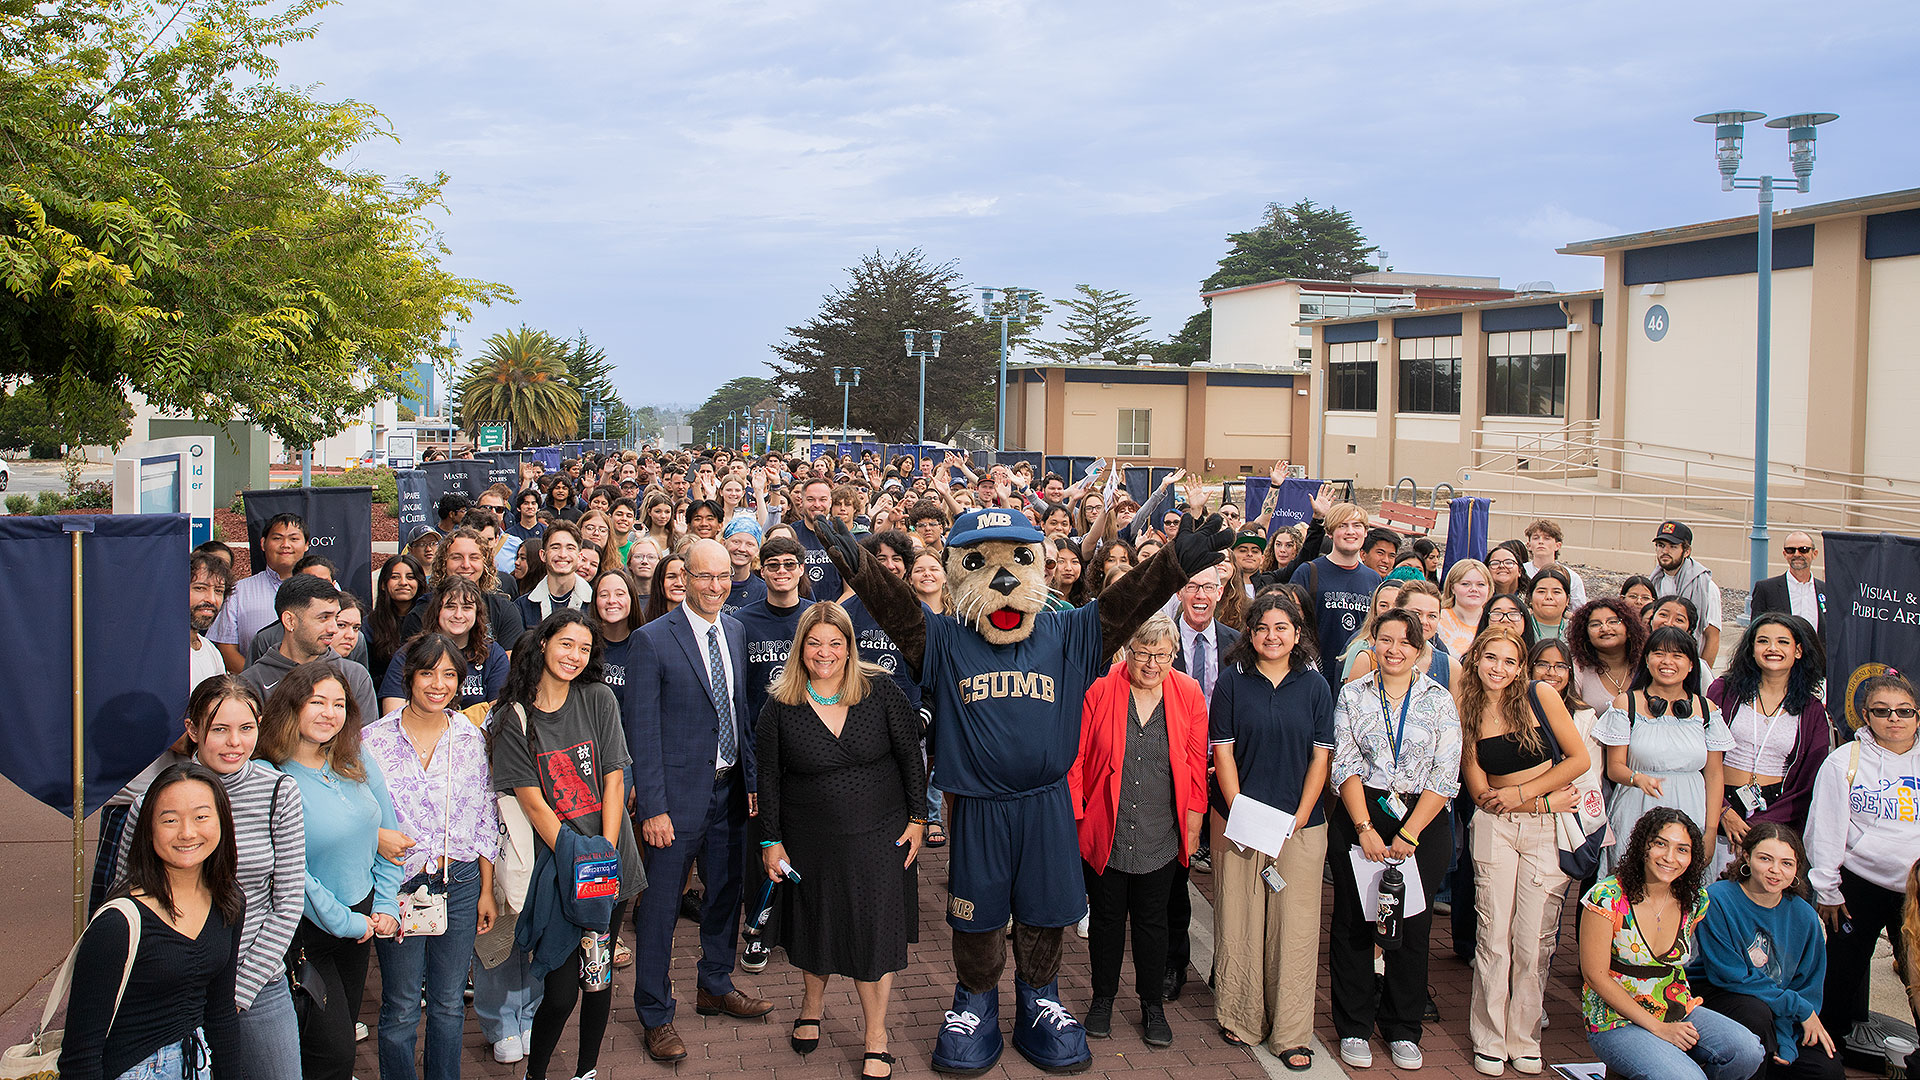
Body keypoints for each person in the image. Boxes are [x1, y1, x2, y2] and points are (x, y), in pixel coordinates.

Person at [756, 603, 926, 1077]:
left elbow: (911, 756)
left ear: (850, 647)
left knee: (874, 935)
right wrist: (770, 841)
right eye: (814, 643)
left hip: (882, 836)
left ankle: (876, 1034)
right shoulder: (780, 703)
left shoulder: (880, 690)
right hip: (811, 838)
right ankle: (812, 1005)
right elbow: (767, 777)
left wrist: (918, 817)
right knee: (817, 926)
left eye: (836, 642)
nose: (824, 652)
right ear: (800, 648)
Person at [110, 678, 305, 1080]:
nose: (234, 742)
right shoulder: (152, 800)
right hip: (172, 984)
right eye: (219, 729)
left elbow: (287, 901)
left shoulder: (279, 792)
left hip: (256, 981)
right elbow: (127, 898)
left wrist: (236, 992)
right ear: (193, 730)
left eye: (246, 728)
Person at [626, 539, 771, 1062]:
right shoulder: (651, 640)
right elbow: (642, 730)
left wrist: (751, 783)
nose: (716, 585)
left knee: (726, 894)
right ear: (683, 577)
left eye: (725, 575)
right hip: (676, 802)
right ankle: (655, 1012)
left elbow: (738, 713)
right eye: (705, 576)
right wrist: (655, 808)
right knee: (661, 907)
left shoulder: (735, 630)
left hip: (730, 794)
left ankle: (714, 982)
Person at [490, 609, 647, 1080]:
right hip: (558, 872)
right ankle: (536, 1074)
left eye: (584, 648)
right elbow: (534, 804)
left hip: (609, 868)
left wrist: (605, 855)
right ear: (543, 644)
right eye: (566, 645)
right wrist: (582, 862)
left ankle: (586, 1071)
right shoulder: (511, 717)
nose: (574, 656)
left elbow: (615, 779)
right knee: (561, 991)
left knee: (597, 981)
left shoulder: (598, 698)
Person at [1062, 614, 1207, 1048]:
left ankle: (1151, 1006)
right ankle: (1102, 999)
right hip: (1107, 829)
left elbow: (1196, 766)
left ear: (1173, 656)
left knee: (1152, 922)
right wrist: (1074, 821)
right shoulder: (1101, 689)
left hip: (1161, 833)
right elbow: (1077, 759)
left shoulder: (1190, 693)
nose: (1151, 664)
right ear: (1127, 652)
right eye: (1142, 654)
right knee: (1106, 921)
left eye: (1162, 656)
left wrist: (1194, 823)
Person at [362, 635, 501, 1080]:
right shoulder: (371, 741)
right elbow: (354, 810)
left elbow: (485, 817)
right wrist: (375, 835)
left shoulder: (471, 738)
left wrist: (486, 889)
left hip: (458, 881)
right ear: (409, 677)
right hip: (396, 883)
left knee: (447, 1003)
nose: (438, 684)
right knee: (401, 1005)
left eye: (449, 675)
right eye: (427, 673)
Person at [1329, 609, 1461, 1070]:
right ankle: (1354, 1026)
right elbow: (1342, 763)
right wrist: (1365, 828)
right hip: (1361, 813)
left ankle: (1404, 1027)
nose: (1394, 649)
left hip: (1422, 822)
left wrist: (1409, 832)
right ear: (1373, 641)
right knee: (1354, 924)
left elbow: (1446, 774)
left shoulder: (1439, 700)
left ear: (1420, 648)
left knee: (1413, 928)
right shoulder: (1352, 695)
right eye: (1386, 639)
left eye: (1406, 642)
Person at [1205, 592, 1333, 1066]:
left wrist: (1300, 815)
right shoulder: (1232, 683)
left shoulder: (1315, 686)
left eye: (1282, 628)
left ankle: (1291, 1032)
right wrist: (1241, 811)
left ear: (1297, 634)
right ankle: (1240, 1016)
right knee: (1238, 920)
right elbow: (1223, 752)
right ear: (1249, 634)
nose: (1271, 636)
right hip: (1240, 824)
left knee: (1295, 930)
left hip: (1301, 825)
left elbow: (1322, 756)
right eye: (1262, 628)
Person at [258, 660, 402, 1080]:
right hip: (309, 931)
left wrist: (387, 904)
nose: (329, 713)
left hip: (361, 924)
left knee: (335, 1045)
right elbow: (291, 872)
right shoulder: (271, 776)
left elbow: (388, 837)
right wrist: (346, 922)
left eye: (338, 703)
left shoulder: (354, 757)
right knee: (332, 1050)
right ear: (291, 707)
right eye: (317, 701)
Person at [1457, 625, 1590, 1076]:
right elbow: (1480, 792)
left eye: (1510, 661)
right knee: (1493, 936)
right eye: (1491, 658)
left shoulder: (1541, 696)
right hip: (1496, 827)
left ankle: (1524, 1035)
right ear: (1476, 659)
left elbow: (1578, 760)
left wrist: (1527, 797)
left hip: (1546, 830)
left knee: (1534, 939)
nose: (1499, 668)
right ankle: (1490, 1037)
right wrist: (1537, 798)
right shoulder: (1467, 707)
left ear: (1521, 668)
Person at [60, 762, 245, 1080]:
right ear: (149, 829)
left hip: (198, 1062)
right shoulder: (117, 924)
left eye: (201, 817)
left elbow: (221, 1013)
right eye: (170, 820)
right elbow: (80, 1055)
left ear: (223, 823)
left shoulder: (229, 902)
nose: (187, 832)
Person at [1580, 808, 1766, 1080]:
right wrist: (1658, 1028)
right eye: (1660, 844)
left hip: (1675, 1008)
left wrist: (1669, 1024)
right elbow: (1594, 977)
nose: (1670, 857)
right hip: (1613, 1019)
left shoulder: (1694, 900)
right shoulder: (1607, 897)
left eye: (1682, 849)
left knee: (1747, 1051)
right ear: (1643, 846)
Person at [1806, 673, 1920, 1042]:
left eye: (1904, 711)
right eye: (1882, 711)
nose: (1894, 718)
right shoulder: (1844, 762)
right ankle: (1827, 1053)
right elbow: (1825, 828)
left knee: (1919, 976)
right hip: (1859, 886)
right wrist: (1827, 888)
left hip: (1915, 888)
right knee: (1842, 974)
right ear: (1866, 716)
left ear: (1918, 715)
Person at [1690, 823, 1843, 1080]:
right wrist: (1798, 1010)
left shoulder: (1804, 916)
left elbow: (1807, 986)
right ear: (1746, 857)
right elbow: (1729, 975)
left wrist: (1785, 1032)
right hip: (1719, 994)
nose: (1775, 870)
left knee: (1828, 1069)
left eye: (1786, 863)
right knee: (1756, 1016)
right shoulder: (1717, 899)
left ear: (1796, 870)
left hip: (1780, 1011)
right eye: (1765, 859)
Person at [1595, 626, 1733, 875]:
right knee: (1633, 883)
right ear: (1647, 660)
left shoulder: (1707, 709)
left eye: (1677, 655)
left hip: (1691, 809)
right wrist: (1637, 778)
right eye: (1659, 653)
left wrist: (1710, 830)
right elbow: (1614, 768)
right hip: (1637, 807)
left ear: (1692, 665)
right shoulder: (1627, 703)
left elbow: (1714, 775)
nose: (1667, 662)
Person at [1706, 614, 1831, 868]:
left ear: (1798, 651)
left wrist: (1759, 829)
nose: (1772, 648)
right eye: (1763, 641)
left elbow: (1808, 783)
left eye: (1782, 642)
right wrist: (1723, 811)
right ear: (1751, 650)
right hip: (1715, 803)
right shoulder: (1723, 691)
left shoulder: (1812, 710)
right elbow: (1698, 754)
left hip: (1776, 811)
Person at [240, 573, 380, 722]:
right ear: (290, 621)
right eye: (324, 617)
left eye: (335, 618)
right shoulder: (251, 682)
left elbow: (364, 740)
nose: (333, 629)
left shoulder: (355, 676)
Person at [379, 577, 508, 713]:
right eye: (450, 607)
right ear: (437, 610)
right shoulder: (409, 653)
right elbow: (393, 714)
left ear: (477, 613)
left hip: (476, 734)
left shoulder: (492, 654)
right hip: (421, 732)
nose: (458, 615)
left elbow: (497, 715)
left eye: (467, 607)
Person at [208, 512, 308, 671]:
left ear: (306, 545)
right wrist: (259, 682)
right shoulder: (238, 592)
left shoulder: (324, 589)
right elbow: (226, 649)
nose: (285, 544)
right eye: (277, 538)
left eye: (294, 539)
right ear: (263, 543)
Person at [1289, 502, 1382, 667]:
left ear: (1365, 532)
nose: (1350, 531)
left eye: (1357, 525)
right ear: (1330, 533)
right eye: (1342, 525)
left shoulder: (1374, 579)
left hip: (1359, 670)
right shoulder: (1308, 572)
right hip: (1316, 669)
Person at [1651, 520, 1725, 668]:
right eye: (1661, 546)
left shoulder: (1706, 587)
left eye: (1673, 547)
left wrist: (1701, 674)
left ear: (1686, 551)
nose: (1665, 551)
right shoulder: (1653, 582)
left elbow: (1712, 636)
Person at [1569, 596, 1648, 721]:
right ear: (1586, 635)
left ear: (1629, 628)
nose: (1605, 628)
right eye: (1595, 624)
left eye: (1612, 622)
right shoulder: (1577, 668)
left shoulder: (1646, 665)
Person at [1749, 532, 1828, 640]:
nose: (1796, 554)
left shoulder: (1827, 591)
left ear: (1814, 553)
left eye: (1803, 549)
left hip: (1817, 655)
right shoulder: (1766, 589)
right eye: (1790, 550)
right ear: (1784, 554)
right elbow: (1756, 631)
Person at [516, 520, 593, 628]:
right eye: (555, 547)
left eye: (570, 548)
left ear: (579, 557)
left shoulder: (595, 603)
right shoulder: (523, 606)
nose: (562, 554)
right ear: (543, 555)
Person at [368, 555, 427, 684]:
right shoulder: (370, 624)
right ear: (383, 584)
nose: (403, 582)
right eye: (395, 577)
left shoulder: (432, 619)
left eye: (410, 577)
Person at [189, 550, 232, 691]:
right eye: (200, 588)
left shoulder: (211, 651)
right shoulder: (159, 650)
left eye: (219, 591)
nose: (211, 599)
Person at [1522, 520, 1589, 608]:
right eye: (1536, 538)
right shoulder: (1520, 571)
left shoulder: (1571, 577)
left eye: (1547, 538)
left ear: (1558, 545)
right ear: (1529, 545)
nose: (1541, 542)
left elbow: (1579, 610)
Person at [1437, 558, 1493, 657]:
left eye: (1481, 584)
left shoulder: (1495, 621)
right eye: (1465, 584)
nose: (1474, 589)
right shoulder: (1436, 619)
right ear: (1452, 587)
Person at [723, 514, 769, 613]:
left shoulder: (763, 591)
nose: (742, 549)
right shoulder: (712, 583)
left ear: (758, 550)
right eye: (736, 542)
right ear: (724, 543)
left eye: (750, 544)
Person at [1524, 563, 1574, 641]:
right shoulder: (1519, 627)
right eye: (1541, 591)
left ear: (1567, 599)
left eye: (1556, 592)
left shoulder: (1577, 631)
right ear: (1530, 598)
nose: (1549, 597)